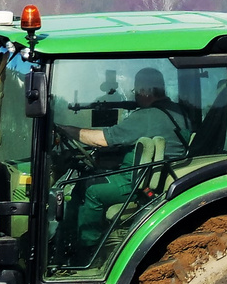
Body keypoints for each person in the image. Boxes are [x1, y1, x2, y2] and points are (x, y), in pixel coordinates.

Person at [54, 68, 188, 259]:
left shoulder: (148, 115)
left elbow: (101, 139)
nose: (136, 96)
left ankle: (85, 252)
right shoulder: (176, 111)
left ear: (145, 90)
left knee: (89, 190)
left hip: (136, 180)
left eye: (136, 91)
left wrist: (66, 129)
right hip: (153, 173)